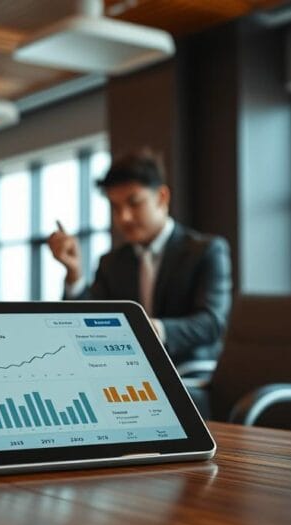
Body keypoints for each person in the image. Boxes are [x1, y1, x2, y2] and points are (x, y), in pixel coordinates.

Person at [47, 149, 232, 365]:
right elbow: (84, 321)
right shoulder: (111, 263)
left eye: (134, 203)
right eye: (115, 207)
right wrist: (74, 273)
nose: (124, 217)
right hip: (129, 373)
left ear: (162, 197)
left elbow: (211, 323)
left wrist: (152, 330)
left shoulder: (206, 251)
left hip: (189, 375)